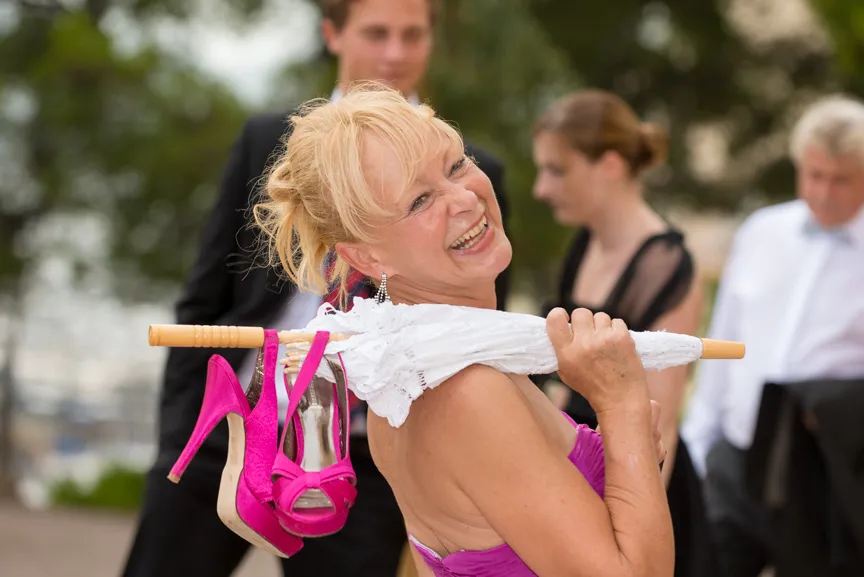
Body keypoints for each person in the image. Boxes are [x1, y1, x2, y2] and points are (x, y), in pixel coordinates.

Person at [119, 1, 511, 576]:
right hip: (229, 427)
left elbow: (485, 331)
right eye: (377, 33)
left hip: (359, 455)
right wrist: (178, 432)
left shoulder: (472, 172)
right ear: (332, 33)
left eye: (413, 35)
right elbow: (205, 291)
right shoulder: (264, 139)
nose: (396, 53)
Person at [253, 82, 674, 577]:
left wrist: (628, 455)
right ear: (366, 257)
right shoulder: (465, 390)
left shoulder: (410, 377)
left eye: (457, 164)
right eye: (419, 200)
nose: (464, 198)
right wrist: (620, 406)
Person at [530, 89, 719, 577]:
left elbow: (663, 425)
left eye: (556, 170)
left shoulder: (669, 267)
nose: (541, 189)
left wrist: (624, 533)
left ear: (609, 166)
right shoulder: (583, 244)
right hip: (574, 463)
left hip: (635, 482)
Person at [681, 94, 864, 577]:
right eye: (814, 175)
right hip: (733, 461)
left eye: (841, 179)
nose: (824, 192)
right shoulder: (762, 231)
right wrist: (698, 446)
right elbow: (723, 341)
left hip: (820, 478)